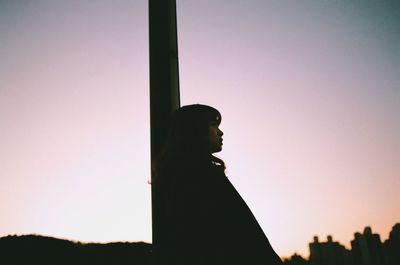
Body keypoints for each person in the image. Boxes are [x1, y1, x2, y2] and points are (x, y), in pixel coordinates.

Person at [152, 104, 283, 265]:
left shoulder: (181, 176)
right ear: (196, 130)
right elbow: (243, 231)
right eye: (214, 125)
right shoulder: (203, 175)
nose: (221, 132)